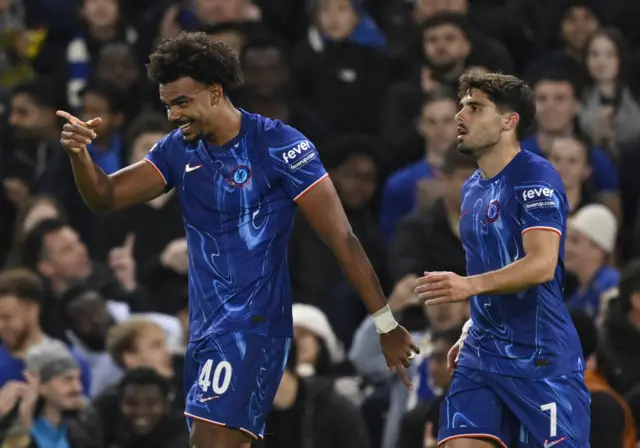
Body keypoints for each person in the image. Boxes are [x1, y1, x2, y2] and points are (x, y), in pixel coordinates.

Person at [54, 31, 418, 448]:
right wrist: (79, 156)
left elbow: (343, 238)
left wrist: (385, 324)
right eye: (168, 104)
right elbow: (106, 196)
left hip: (253, 326)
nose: (173, 115)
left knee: (209, 444)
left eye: (182, 103)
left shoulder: (280, 146)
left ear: (215, 91)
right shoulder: (179, 150)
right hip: (206, 328)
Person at [415, 72, 590, 447]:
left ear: (509, 122)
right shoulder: (473, 188)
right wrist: (471, 326)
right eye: (462, 105)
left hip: (540, 358)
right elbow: (489, 268)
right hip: (483, 354)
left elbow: (542, 264)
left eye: (475, 107)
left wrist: (468, 287)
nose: (461, 115)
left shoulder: (535, 176)